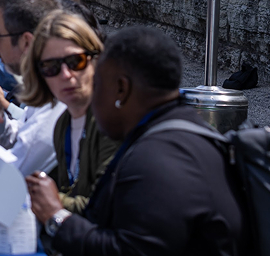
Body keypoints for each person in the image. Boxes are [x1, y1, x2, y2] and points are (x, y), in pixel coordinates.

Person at [34, 26, 247, 255]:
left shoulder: (156, 160)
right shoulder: (183, 134)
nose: (92, 100)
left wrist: (57, 217)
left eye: (96, 87)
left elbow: (129, 250)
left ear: (121, 89)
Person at [21, 11, 119, 216]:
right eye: (51, 67)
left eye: (76, 61)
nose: (66, 75)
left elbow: (103, 207)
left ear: (96, 60)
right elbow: (72, 192)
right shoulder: (63, 124)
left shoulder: (113, 122)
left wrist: (33, 195)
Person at [0, 0, 68, 176]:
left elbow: (11, 173)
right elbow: (19, 136)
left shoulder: (61, 94)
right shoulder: (43, 84)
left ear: (26, 42)